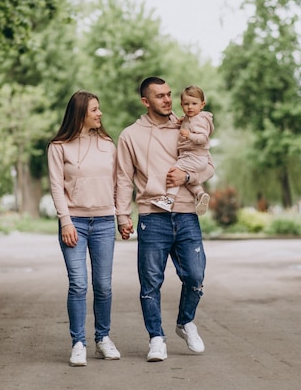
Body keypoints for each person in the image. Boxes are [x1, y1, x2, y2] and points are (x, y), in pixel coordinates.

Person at [116, 77, 214, 362]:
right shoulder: (130, 135)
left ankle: (185, 322)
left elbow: (208, 164)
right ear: (145, 101)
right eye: (160, 96)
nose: (168, 100)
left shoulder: (186, 126)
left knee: (195, 276)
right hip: (151, 217)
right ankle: (156, 338)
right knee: (150, 284)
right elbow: (123, 178)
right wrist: (123, 215)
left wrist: (187, 177)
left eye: (169, 94)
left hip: (186, 214)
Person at [47, 90, 121, 367]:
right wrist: (65, 220)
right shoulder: (58, 146)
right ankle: (78, 343)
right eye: (94, 110)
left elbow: (117, 182)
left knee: (103, 285)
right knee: (78, 284)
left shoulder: (108, 144)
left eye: (99, 109)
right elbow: (56, 185)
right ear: (80, 114)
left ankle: (103, 339)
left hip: (103, 221)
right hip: (74, 223)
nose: (100, 114)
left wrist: (121, 216)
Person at [150, 85, 213, 215]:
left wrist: (189, 135)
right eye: (186, 104)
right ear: (181, 105)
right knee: (186, 180)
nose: (190, 107)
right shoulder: (189, 119)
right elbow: (189, 123)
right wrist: (182, 122)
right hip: (195, 157)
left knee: (175, 173)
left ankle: (168, 200)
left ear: (202, 105)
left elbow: (203, 138)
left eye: (194, 104)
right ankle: (200, 194)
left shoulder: (199, 119)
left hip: (194, 156)